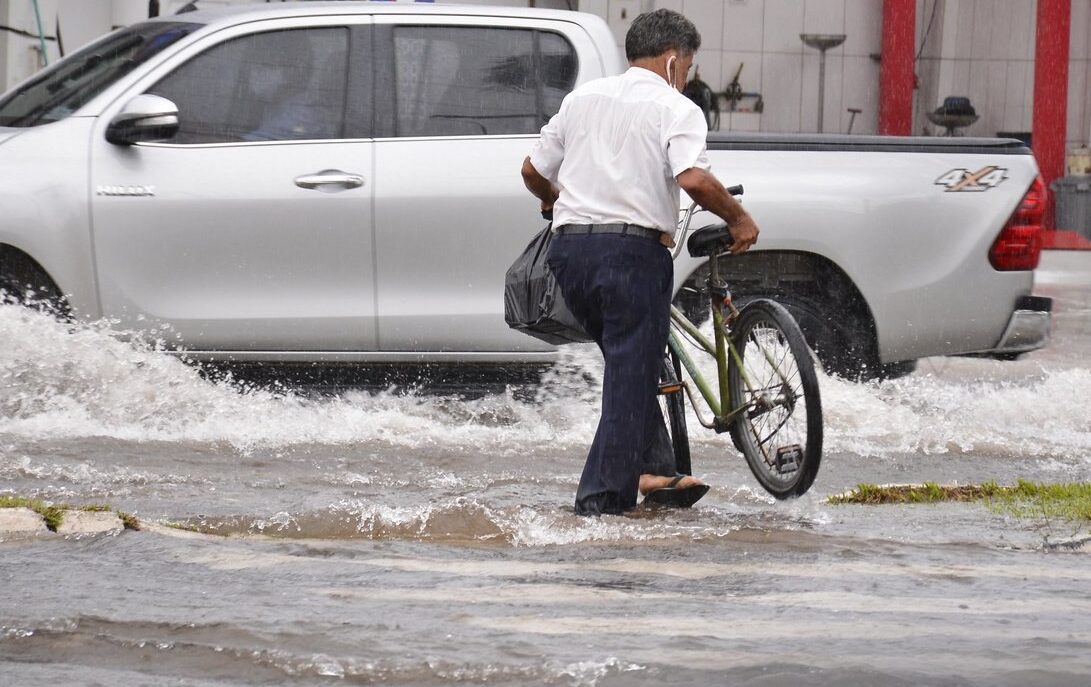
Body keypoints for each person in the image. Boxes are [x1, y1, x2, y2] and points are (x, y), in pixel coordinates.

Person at [520, 9, 760, 516]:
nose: (689, 77)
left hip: (570, 254)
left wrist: (551, 199)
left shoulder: (580, 99)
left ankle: (654, 471)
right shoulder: (675, 106)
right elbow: (693, 178)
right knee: (630, 374)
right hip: (630, 255)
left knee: (629, 367)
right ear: (674, 59)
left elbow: (531, 170)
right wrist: (739, 218)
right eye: (689, 66)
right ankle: (599, 504)